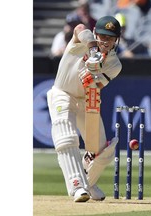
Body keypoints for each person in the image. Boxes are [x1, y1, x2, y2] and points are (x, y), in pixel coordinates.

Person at [46, 16, 122, 202]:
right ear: (95, 33)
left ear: (116, 40)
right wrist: (93, 49)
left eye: (110, 38)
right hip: (62, 93)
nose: (105, 41)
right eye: (102, 36)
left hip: (87, 100)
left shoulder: (114, 64)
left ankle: (88, 182)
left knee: (104, 150)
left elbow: (96, 87)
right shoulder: (83, 41)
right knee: (67, 137)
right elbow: (80, 27)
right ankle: (77, 186)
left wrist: (92, 73)